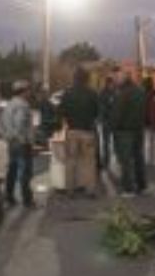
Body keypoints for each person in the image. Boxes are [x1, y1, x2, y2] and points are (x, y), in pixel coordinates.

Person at [58, 68, 100, 196]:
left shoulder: (67, 93)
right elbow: (97, 112)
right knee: (89, 162)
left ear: (74, 78)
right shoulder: (92, 93)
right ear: (87, 79)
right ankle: (90, 190)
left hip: (72, 132)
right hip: (87, 132)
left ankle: (70, 190)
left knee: (71, 161)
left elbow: (61, 112)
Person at [110, 67, 148, 197]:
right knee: (138, 158)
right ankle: (142, 186)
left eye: (116, 77)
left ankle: (129, 189)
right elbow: (145, 110)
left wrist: (113, 127)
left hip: (124, 131)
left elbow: (117, 113)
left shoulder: (122, 93)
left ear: (124, 76)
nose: (115, 79)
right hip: (138, 129)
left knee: (126, 160)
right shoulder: (140, 91)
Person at [0, 80, 34, 208]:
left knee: (12, 170)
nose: (30, 92)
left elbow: (1, 124)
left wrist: (7, 137)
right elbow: (19, 124)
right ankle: (27, 200)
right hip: (21, 143)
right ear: (23, 91)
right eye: (28, 90)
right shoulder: (23, 105)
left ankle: (9, 197)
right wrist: (23, 139)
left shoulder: (9, 105)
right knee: (25, 172)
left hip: (11, 143)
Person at [97, 76, 116, 169]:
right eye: (111, 84)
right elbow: (101, 107)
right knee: (106, 142)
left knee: (114, 141)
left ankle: (114, 158)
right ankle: (106, 161)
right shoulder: (103, 93)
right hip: (107, 121)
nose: (112, 85)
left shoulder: (115, 92)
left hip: (114, 121)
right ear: (108, 83)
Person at [142, 76, 155, 166]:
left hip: (143, 120)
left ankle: (144, 159)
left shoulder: (141, 93)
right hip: (152, 120)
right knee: (152, 142)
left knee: (143, 141)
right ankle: (152, 159)